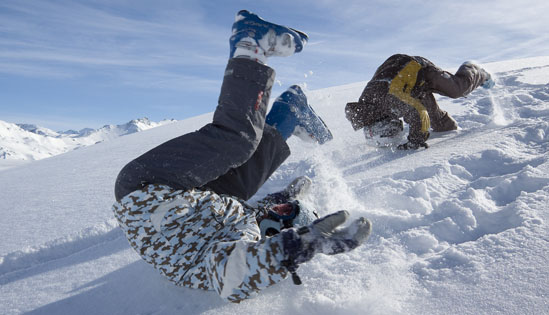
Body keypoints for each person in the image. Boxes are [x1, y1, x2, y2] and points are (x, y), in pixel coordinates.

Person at [112, 10, 371, 303]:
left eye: (284, 214)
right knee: (246, 181)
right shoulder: (242, 222)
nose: (279, 208)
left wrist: (297, 248)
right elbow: (256, 209)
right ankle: (289, 111)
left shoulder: (235, 244)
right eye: (287, 207)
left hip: (149, 188)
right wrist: (288, 197)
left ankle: (251, 44)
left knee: (238, 141)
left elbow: (234, 274)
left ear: (276, 234)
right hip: (172, 196)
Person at [345, 54, 494, 149]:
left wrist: (415, 141)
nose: (396, 132)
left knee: (456, 89)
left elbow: (418, 112)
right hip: (408, 85)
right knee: (440, 126)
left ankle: (474, 69)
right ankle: (448, 129)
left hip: (418, 69)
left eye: (392, 133)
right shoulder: (367, 111)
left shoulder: (389, 100)